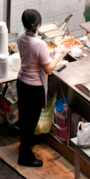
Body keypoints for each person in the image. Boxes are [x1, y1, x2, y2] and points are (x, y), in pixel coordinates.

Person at [16, 9, 67, 167]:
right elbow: (48, 69)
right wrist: (59, 55)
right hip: (34, 88)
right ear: (39, 24)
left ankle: (25, 147)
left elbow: (34, 56)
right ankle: (25, 157)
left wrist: (50, 52)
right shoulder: (39, 43)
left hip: (22, 83)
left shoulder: (21, 37)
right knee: (31, 121)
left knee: (25, 119)